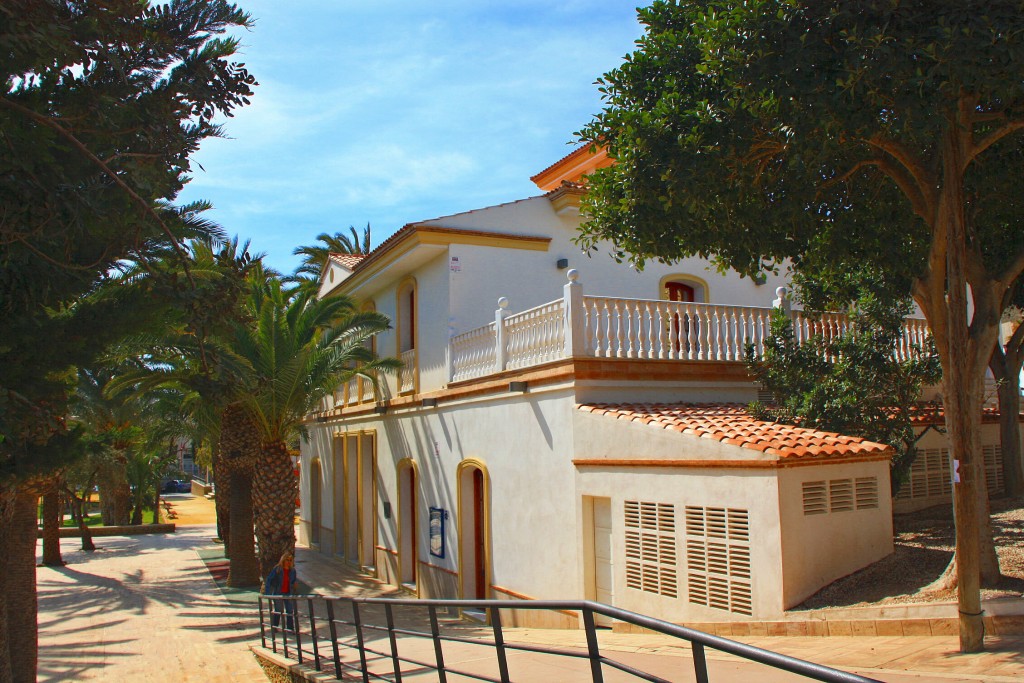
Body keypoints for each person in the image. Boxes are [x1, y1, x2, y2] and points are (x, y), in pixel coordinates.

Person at [264, 552, 298, 631]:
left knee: (289, 610)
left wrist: (294, 585)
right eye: (287, 560)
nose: (288, 562)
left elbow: (293, 581)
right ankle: (275, 627)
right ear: (283, 560)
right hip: (278, 593)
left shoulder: (292, 571)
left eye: (290, 560)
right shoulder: (278, 569)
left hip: (288, 593)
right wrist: (268, 592)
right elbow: (269, 579)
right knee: (278, 610)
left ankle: (290, 628)